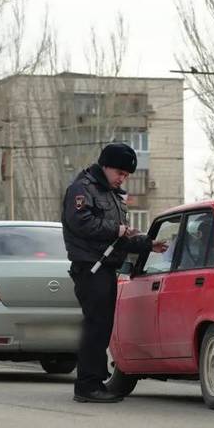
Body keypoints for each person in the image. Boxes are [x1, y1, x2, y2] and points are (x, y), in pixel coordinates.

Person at [62, 143, 168, 403]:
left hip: (107, 267)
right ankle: (87, 386)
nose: (123, 178)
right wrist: (116, 229)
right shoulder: (83, 188)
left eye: (126, 174)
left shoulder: (111, 194)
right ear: (105, 165)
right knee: (96, 326)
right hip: (90, 267)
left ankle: (94, 382)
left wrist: (146, 244)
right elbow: (81, 223)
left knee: (102, 326)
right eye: (120, 172)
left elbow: (119, 238)